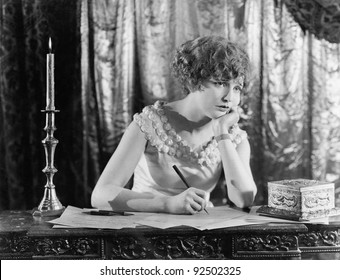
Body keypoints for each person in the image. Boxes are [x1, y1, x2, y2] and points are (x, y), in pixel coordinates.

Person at [91, 35, 257, 214]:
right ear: (195, 80)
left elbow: (244, 199)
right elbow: (101, 194)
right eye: (220, 83)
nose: (229, 98)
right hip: (145, 229)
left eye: (237, 88)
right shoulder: (150, 124)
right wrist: (167, 204)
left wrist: (222, 134)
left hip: (200, 233)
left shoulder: (233, 136)